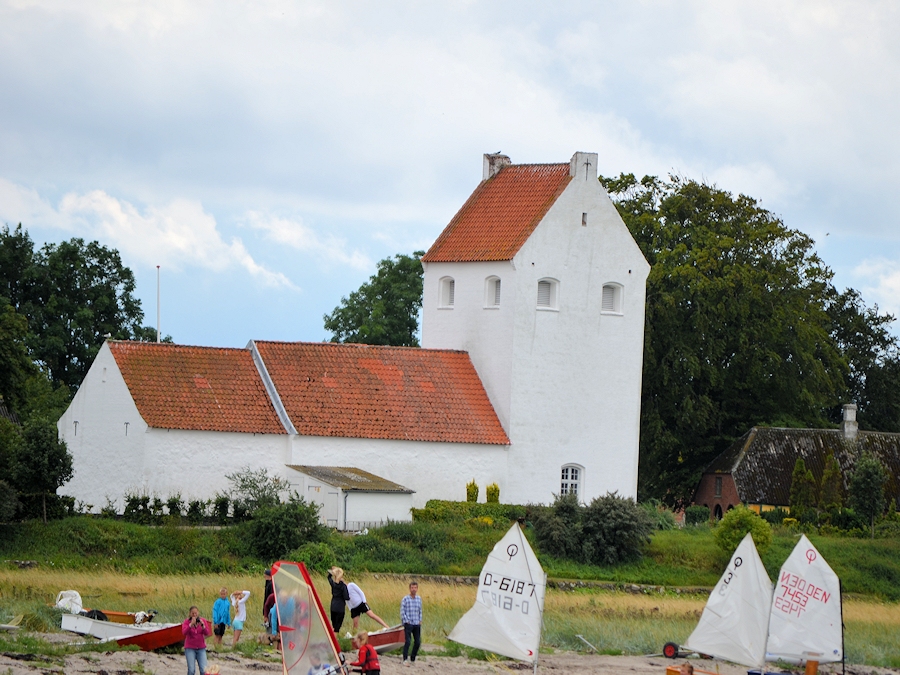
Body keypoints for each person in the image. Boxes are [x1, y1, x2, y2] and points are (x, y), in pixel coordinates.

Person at [182, 605, 211, 675]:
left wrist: (203, 626)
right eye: (193, 613)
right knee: (191, 670)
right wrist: (190, 625)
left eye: (196, 613)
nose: (194, 615)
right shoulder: (186, 622)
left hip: (201, 648)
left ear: (198, 613)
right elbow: (184, 632)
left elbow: (207, 633)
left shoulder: (203, 621)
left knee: (204, 670)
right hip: (190, 648)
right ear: (190, 614)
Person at [400, 581, 422, 666]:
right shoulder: (405, 599)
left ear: (417, 588)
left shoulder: (419, 599)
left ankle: (413, 658)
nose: (414, 589)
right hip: (409, 623)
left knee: (417, 642)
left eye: (415, 587)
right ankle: (405, 659)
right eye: (412, 587)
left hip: (417, 623)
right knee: (408, 641)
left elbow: (420, 610)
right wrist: (406, 620)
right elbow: (402, 611)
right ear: (410, 588)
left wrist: (420, 620)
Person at [327, 567, 350, 635]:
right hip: (340, 608)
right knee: (337, 628)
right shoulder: (343, 586)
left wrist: (331, 573)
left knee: (333, 626)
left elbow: (329, 578)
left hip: (333, 607)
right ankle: (335, 642)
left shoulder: (333, 585)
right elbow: (347, 597)